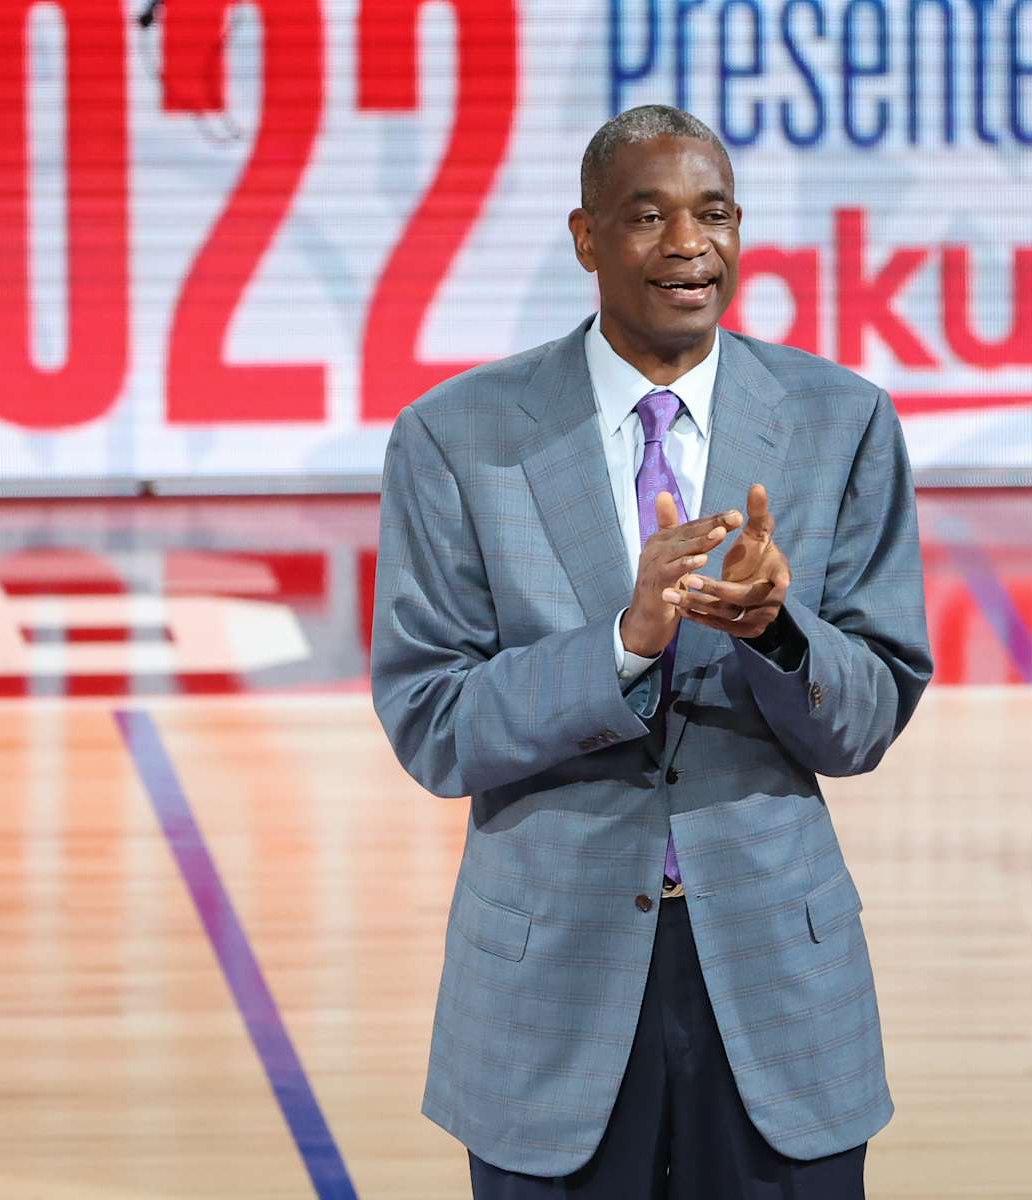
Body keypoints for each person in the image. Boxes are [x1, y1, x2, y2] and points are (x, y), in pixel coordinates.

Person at [370, 104, 933, 1198]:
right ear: (586, 238)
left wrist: (778, 632)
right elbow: (435, 727)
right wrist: (624, 645)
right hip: (552, 1001)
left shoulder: (843, 419)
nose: (689, 244)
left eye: (714, 213)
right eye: (648, 215)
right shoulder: (456, 437)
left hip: (776, 985)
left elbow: (868, 716)